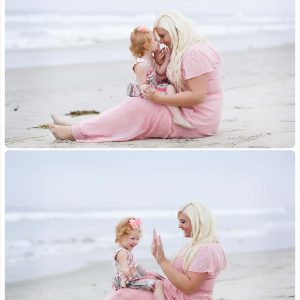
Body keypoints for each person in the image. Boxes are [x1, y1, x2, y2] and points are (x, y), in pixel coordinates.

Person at [49, 10, 223, 142]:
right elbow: (178, 84)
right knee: (134, 106)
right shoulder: (185, 50)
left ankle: (75, 132)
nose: (161, 41)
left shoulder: (194, 53)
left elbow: (197, 96)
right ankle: (79, 128)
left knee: (136, 108)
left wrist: (158, 98)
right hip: (191, 112)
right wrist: (163, 64)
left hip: (197, 119)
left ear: (176, 30)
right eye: (158, 38)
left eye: (162, 36)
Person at [103, 202, 227, 300]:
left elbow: (189, 287)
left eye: (183, 222)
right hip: (168, 293)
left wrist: (162, 261)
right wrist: (158, 257)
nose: (179, 226)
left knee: (120, 296)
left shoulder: (207, 250)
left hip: (173, 297)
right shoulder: (196, 246)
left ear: (197, 222)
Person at [127, 25, 194, 129]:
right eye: (155, 40)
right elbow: (142, 84)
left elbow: (160, 71)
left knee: (170, 87)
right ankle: (177, 117)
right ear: (146, 45)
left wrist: (167, 57)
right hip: (145, 93)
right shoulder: (141, 64)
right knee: (169, 88)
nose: (159, 42)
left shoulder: (151, 59)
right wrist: (148, 89)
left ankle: (177, 114)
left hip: (154, 87)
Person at [111, 217, 165, 300]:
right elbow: (124, 268)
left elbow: (134, 266)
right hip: (126, 281)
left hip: (130, 278)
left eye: (137, 239)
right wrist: (128, 272)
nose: (136, 242)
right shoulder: (122, 253)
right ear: (121, 237)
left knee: (155, 275)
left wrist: (142, 272)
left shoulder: (126, 251)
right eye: (132, 238)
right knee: (158, 283)